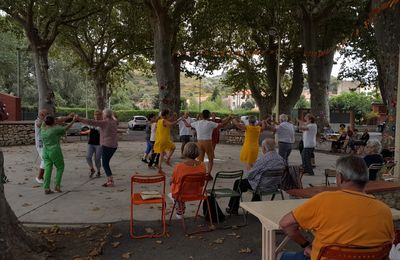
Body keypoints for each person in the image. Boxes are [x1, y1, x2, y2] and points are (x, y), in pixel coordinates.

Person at [279, 155, 394, 260]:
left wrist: (306, 245)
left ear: (341, 178)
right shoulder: (384, 210)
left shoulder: (323, 200)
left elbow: (286, 224)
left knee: (280, 255)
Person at [226, 138, 286, 214]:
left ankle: (233, 209)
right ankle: (256, 205)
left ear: (264, 148)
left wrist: (250, 168)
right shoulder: (281, 159)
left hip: (262, 187)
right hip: (274, 186)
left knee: (239, 183)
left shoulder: (263, 159)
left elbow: (250, 175)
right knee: (257, 181)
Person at [183, 109, 231, 175]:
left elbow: (187, 125)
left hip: (199, 142)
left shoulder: (197, 123)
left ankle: (200, 172)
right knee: (210, 159)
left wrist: (183, 120)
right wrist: (229, 120)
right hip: (208, 142)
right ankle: (208, 173)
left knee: (200, 160)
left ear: (202, 115)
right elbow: (222, 125)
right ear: (209, 116)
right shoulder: (210, 123)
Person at [78, 109, 118, 187]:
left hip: (107, 145)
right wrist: (112, 115)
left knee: (105, 164)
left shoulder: (104, 122)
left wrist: (78, 118)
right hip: (114, 146)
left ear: (106, 115)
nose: (102, 115)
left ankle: (110, 181)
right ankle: (110, 179)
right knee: (105, 162)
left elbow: (90, 122)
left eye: (103, 114)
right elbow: (116, 120)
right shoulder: (114, 122)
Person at [169, 142, 207, 219]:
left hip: (182, 193)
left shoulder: (180, 167)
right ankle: (180, 205)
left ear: (185, 152)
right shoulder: (203, 166)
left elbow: (173, 181)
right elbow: (202, 183)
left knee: (173, 186)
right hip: (197, 192)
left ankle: (180, 207)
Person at [41, 114, 77, 194]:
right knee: (60, 167)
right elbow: (66, 128)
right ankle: (57, 186)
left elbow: (46, 121)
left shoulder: (43, 128)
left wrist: (67, 117)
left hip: (45, 151)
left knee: (47, 169)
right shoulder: (55, 129)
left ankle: (46, 188)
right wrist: (73, 120)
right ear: (54, 122)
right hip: (54, 150)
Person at [34, 109, 72, 183]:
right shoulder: (38, 121)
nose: (48, 114)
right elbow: (55, 121)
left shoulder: (46, 120)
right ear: (41, 115)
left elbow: (57, 119)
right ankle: (39, 177)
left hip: (47, 145)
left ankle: (44, 179)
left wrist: (68, 117)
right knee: (45, 161)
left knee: (46, 161)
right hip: (41, 145)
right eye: (46, 113)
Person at [81, 110, 102, 178]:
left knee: (97, 159)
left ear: (101, 115)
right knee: (88, 157)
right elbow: (91, 129)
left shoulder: (102, 123)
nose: (96, 116)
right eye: (95, 115)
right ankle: (92, 169)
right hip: (91, 142)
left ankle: (98, 171)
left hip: (99, 143)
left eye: (98, 114)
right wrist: (85, 132)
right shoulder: (92, 122)